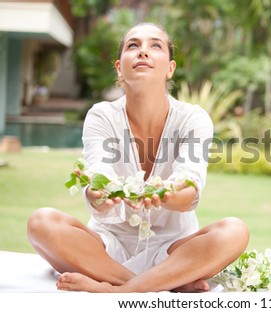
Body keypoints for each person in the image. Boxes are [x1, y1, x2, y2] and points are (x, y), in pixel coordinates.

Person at [27, 22, 249, 292]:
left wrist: (168, 195)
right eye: (133, 45)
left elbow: (190, 189)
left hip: (172, 250)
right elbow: (98, 179)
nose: (143, 51)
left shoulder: (193, 119)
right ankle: (161, 283)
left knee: (235, 231)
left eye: (155, 45)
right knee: (41, 223)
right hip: (106, 249)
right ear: (120, 66)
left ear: (170, 68)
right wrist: (100, 194)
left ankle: (115, 289)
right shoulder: (101, 116)